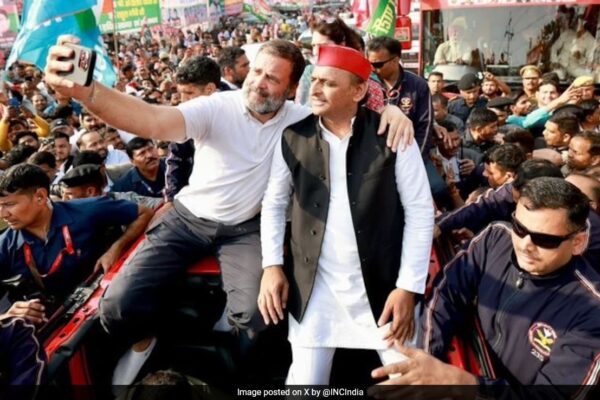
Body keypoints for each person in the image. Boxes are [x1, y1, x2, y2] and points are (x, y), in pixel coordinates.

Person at [45, 36, 412, 384]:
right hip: (185, 222)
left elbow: (350, 110)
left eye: (271, 78)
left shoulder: (302, 119)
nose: (258, 83)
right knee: (117, 307)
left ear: (289, 89)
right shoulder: (216, 106)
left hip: (245, 230)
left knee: (258, 317)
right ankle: (145, 345)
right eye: (255, 72)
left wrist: (392, 112)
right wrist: (88, 92)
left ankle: (234, 379)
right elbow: (151, 119)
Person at [258, 44, 434, 384]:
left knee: (409, 383)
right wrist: (271, 266)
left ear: (358, 90)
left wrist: (408, 287)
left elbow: (420, 212)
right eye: (316, 80)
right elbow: (275, 204)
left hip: (383, 286)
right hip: (314, 287)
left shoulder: (392, 134)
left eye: (329, 83)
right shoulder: (294, 136)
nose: (317, 89)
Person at [371, 178, 600, 395]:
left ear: (578, 243)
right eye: (519, 228)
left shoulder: (592, 313)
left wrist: (463, 384)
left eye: (545, 240)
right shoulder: (495, 238)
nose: (525, 245)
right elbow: (447, 293)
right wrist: (427, 358)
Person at [0, 164, 153, 313]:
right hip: (63, 325)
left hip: (116, 299)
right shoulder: (5, 245)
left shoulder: (87, 210)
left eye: (9, 204)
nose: (2, 214)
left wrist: (118, 247)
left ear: (40, 196)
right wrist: (7, 315)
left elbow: (144, 213)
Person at [367, 36, 433, 154]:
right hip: (376, 156)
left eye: (378, 64)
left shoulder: (418, 85)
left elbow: (425, 127)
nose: (372, 69)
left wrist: (416, 159)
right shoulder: (367, 85)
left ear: (395, 60)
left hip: (409, 152)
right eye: (369, 63)